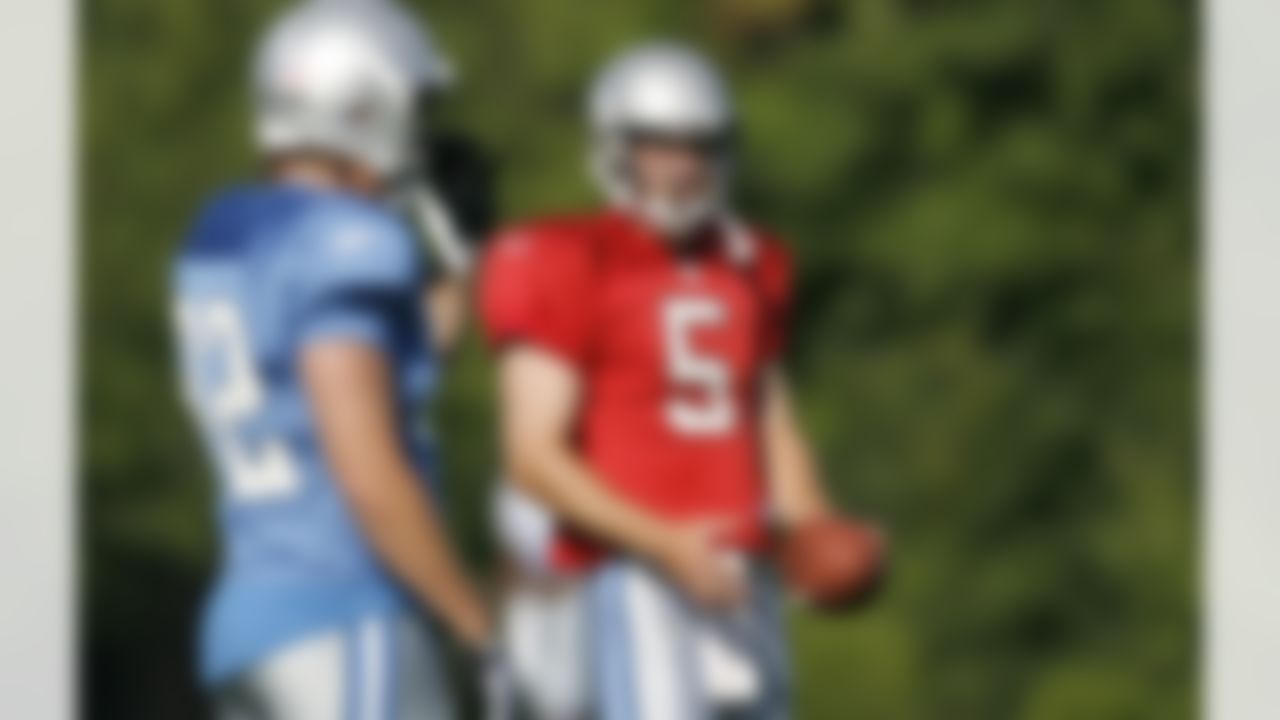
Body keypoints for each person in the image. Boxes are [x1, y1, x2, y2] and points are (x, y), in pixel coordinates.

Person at [480, 42, 838, 719]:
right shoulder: (565, 258)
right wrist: (667, 544)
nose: (680, 167)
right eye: (658, 146)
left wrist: (813, 526)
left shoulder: (750, 262)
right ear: (616, 148)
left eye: (698, 147)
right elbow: (532, 457)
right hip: (637, 574)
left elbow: (766, 417)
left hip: (744, 575)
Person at [172, 3, 496, 717]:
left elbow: (364, 384)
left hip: (246, 627)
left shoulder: (228, 233)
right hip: (343, 611)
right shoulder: (348, 241)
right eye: (414, 108)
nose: (421, 134)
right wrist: (476, 624)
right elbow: (369, 472)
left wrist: (463, 269)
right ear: (361, 105)